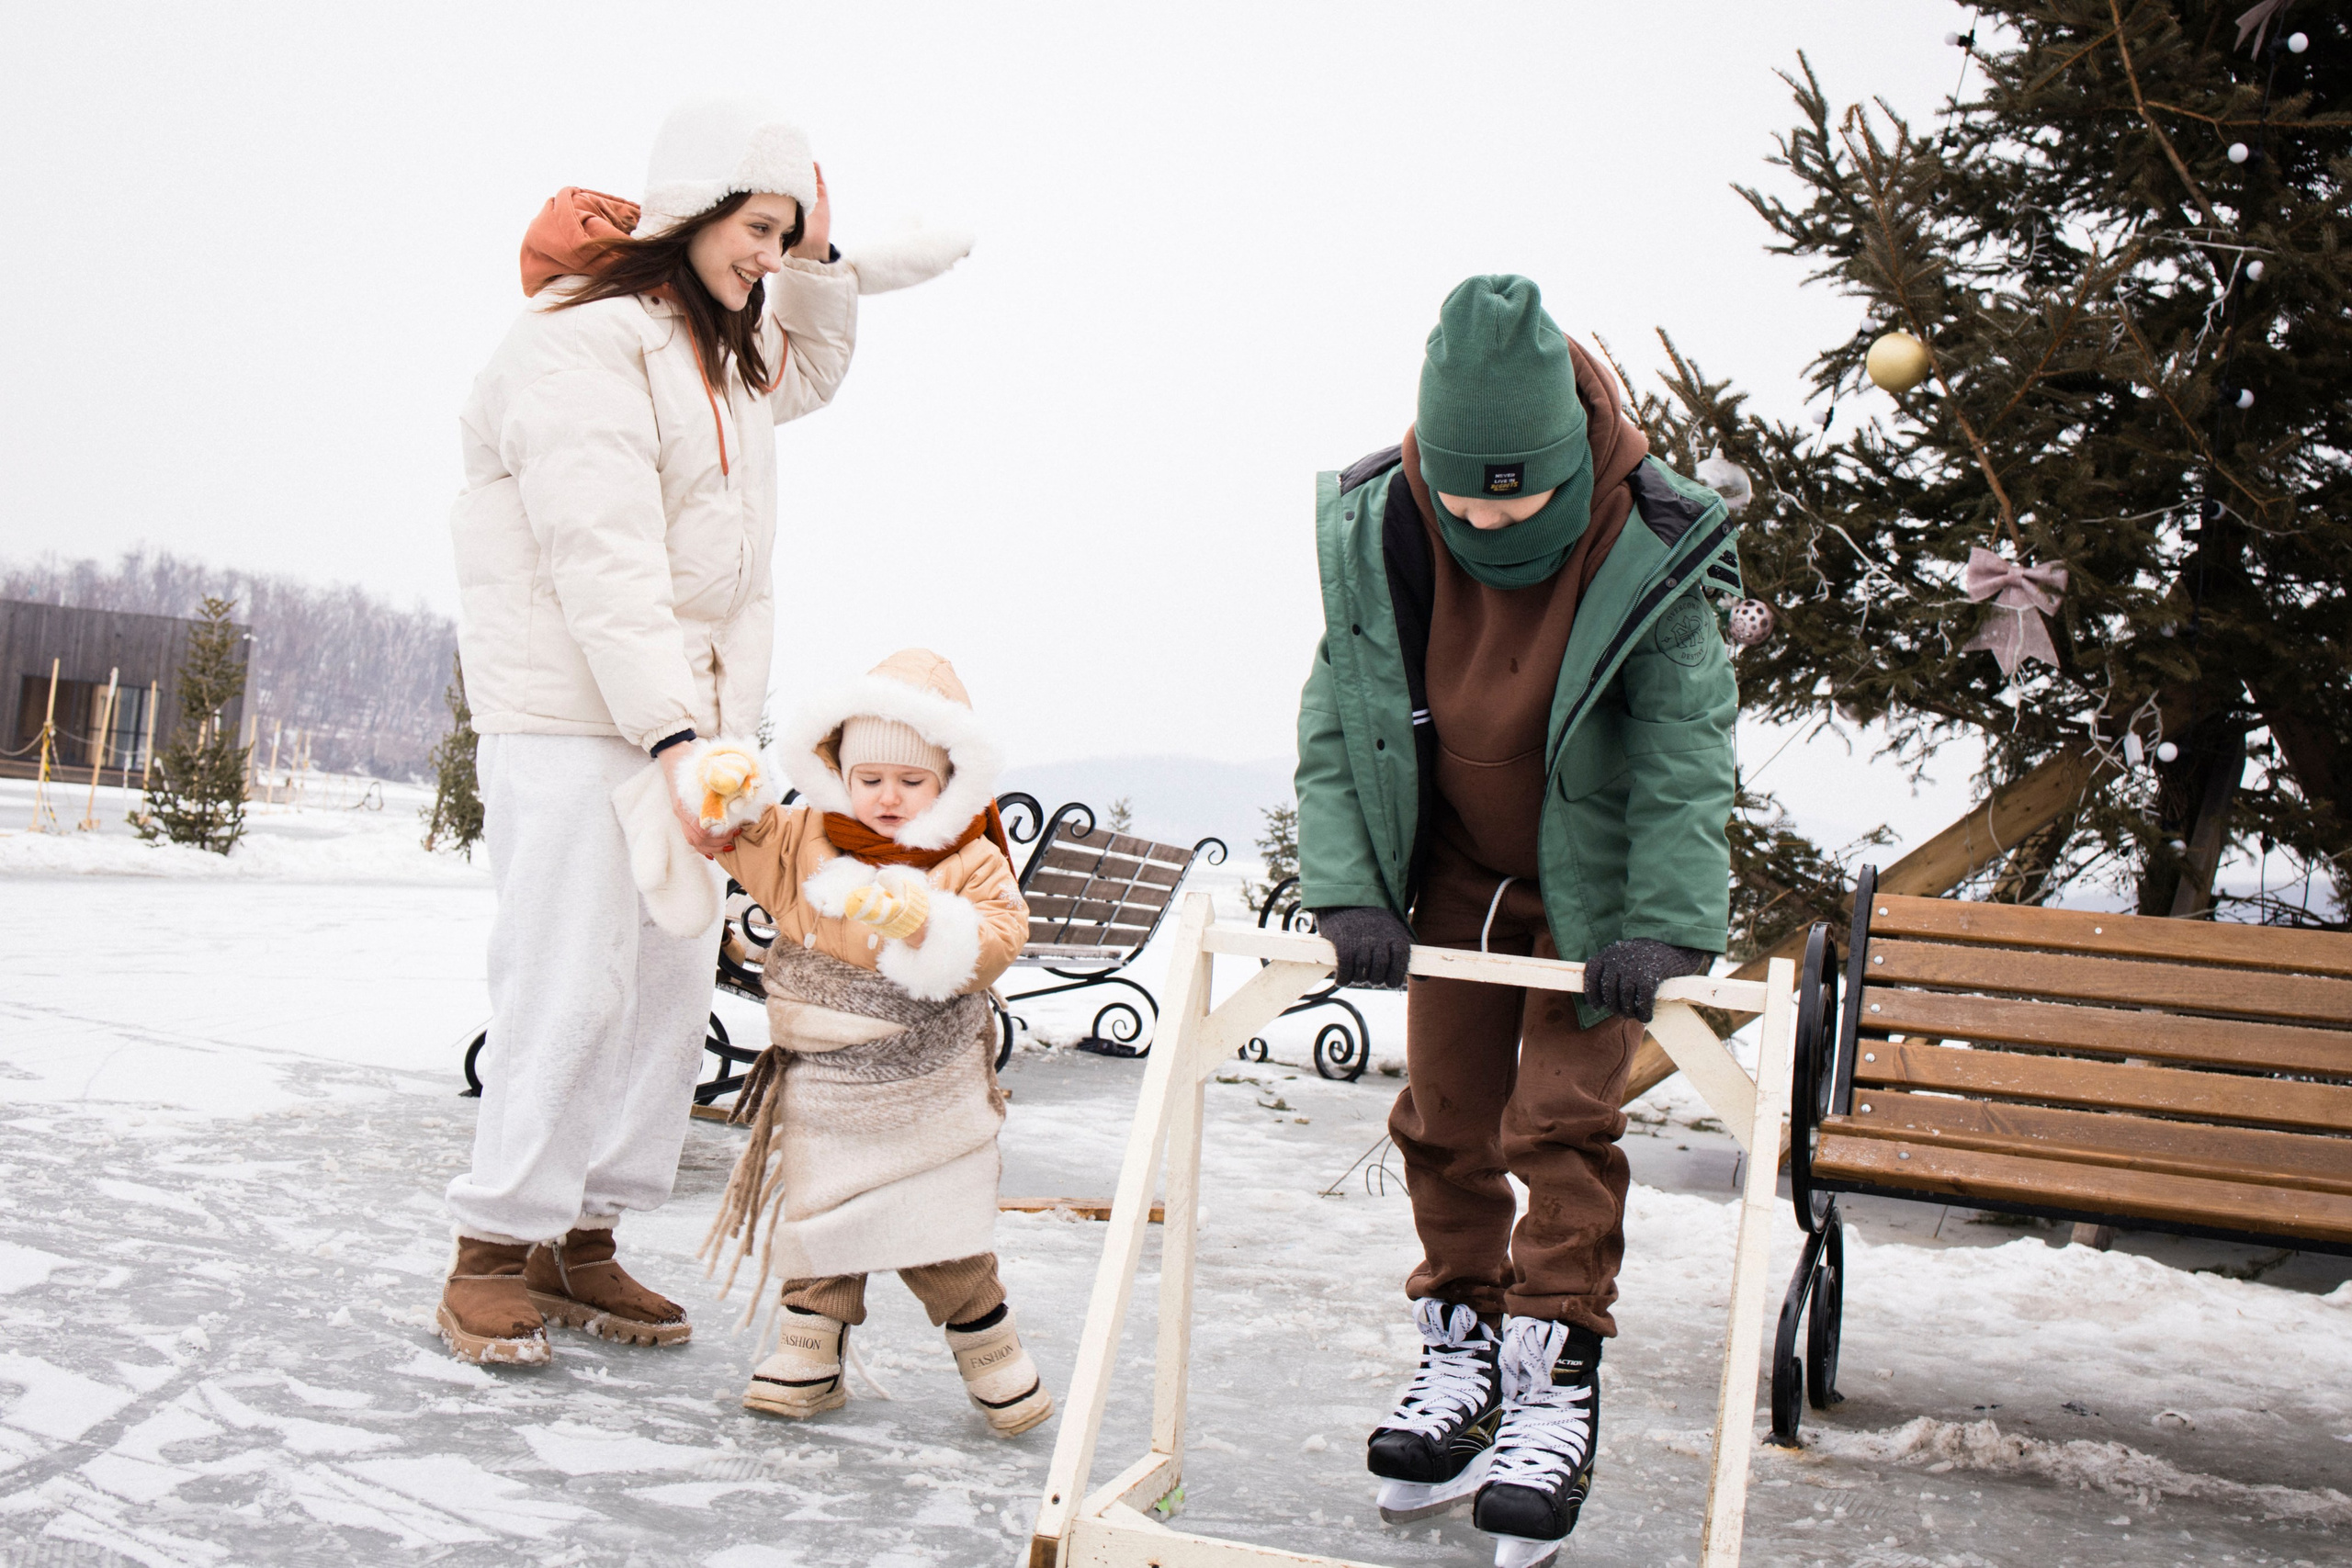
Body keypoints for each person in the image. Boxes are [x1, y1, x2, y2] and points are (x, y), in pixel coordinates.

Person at [439, 96, 966, 1367]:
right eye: (757, 227)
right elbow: (600, 554)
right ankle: (490, 1251)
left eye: (787, 233)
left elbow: (814, 369)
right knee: (568, 982)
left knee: (668, 992)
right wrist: (675, 731)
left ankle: (587, 1233)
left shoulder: (713, 355)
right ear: (692, 210)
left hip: (687, 726)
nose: (768, 257)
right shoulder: (583, 340)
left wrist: (828, 265)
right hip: (581, 717)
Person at [1291, 276, 1736, 1562]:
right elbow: (1342, 712)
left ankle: (1556, 1376)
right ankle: (1462, 1350)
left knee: (1558, 1121)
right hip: (1450, 876)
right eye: (1468, 493)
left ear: (1566, 460)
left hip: (1594, 888)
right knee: (1440, 1115)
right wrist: (1351, 885)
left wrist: (1665, 920)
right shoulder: (1390, 524)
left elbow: (1683, 747)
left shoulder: (1648, 536)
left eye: (1516, 496)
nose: (1489, 517)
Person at [697, 649, 1053, 1438]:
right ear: (839, 774)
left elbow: (1000, 932)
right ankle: (808, 1347)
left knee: (938, 1219)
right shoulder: (804, 838)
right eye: (870, 779)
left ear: (948, 782)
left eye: (911, 781)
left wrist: (926, 925)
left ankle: (988, 1345)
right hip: (829, 1067)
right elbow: (739, 836)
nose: (888, 797)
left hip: (925, 1071)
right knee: (823, 1207)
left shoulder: (970, 857)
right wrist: (725, 792)